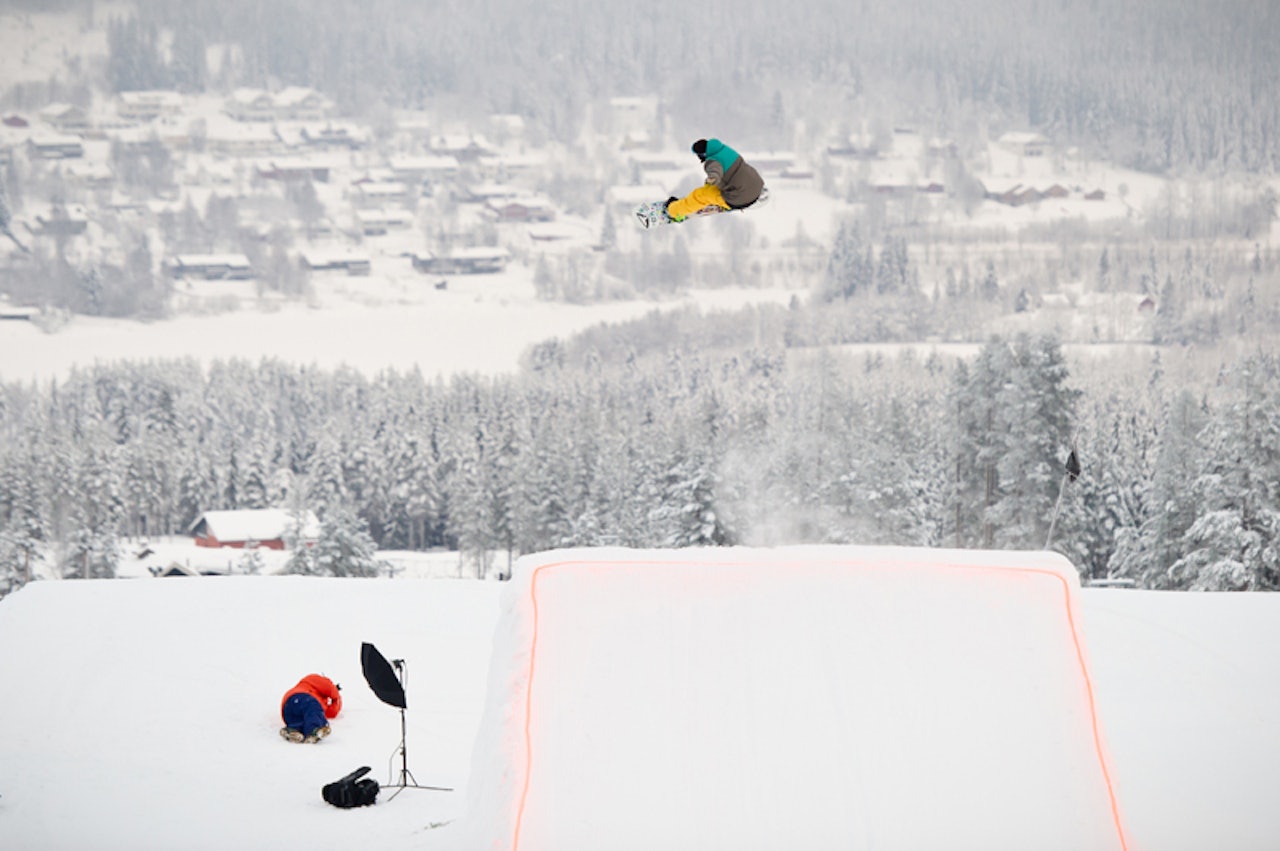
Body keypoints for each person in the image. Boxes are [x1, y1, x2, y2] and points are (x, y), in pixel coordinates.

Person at [664, 138, 765, 222]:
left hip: (740, 198)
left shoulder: (712, 162)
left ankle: (673, 211)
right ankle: (712, 198)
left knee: (699, 195)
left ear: (702, 154)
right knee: (711, 189)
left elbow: (715, 175)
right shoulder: (725, 150)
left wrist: (709, 183)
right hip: (756, 185)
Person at [280, 673, 342, 743]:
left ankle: (292, 730)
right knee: (314, 711)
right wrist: (336, 695)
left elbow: (332, 713)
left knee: (310, 719)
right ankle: (313, 730)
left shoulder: (321, 703)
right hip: (300, 697)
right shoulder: (313, 679)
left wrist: (335, 699)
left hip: (288, 708)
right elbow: (330, 688)